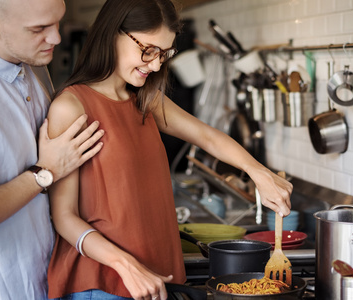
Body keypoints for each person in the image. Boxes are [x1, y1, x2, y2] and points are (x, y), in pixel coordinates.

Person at [46, 0, 293, 299]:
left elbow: (208, 137)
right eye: (148, 50)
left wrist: (259, 172)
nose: (156, 64)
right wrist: (126, 265)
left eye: (164, 53)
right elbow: (64, 217)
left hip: (158, 278)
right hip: (103, 283)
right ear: (113, 33)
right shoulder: (71, 107)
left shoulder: (145, 100)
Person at [0, 0, 105, 298]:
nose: (56, 38)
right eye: (39, 28)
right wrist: (45, 172)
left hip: (46, 278)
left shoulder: (34, 66)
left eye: (57, 23)